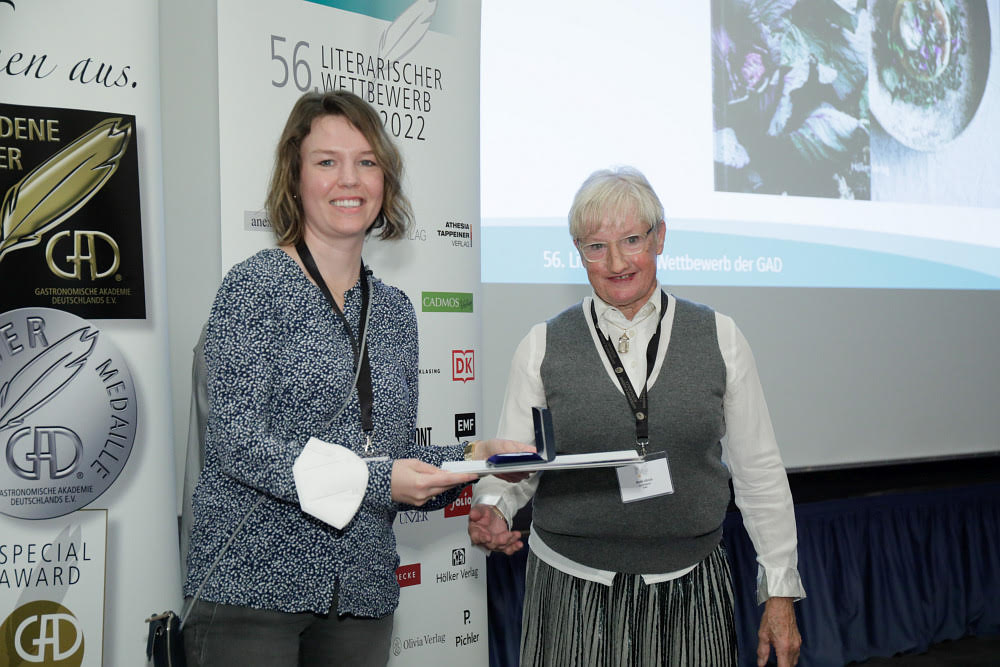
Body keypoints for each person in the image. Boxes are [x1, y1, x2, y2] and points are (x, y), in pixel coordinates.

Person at [183, 90, 530, 667]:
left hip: (362, 593)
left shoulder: (394, 312)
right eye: (327, 161)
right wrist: (379, 481)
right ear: (295, 178)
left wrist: (476, 459)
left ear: (384, 182)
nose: (350, 179)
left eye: (366, 162)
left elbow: (391, 457)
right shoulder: (254, 287)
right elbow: (238, 443)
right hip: (252, 591)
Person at [469, 166, 805, 666]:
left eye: (631, 240)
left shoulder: (721, 338)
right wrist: (494, 507)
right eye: (596, 246)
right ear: (577, 251)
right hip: (569, 590)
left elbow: (759, 471)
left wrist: (779, 589)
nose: (616, 262)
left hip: (692, 590)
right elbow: (517, 461)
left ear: (660, 237)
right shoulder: (541, 345)